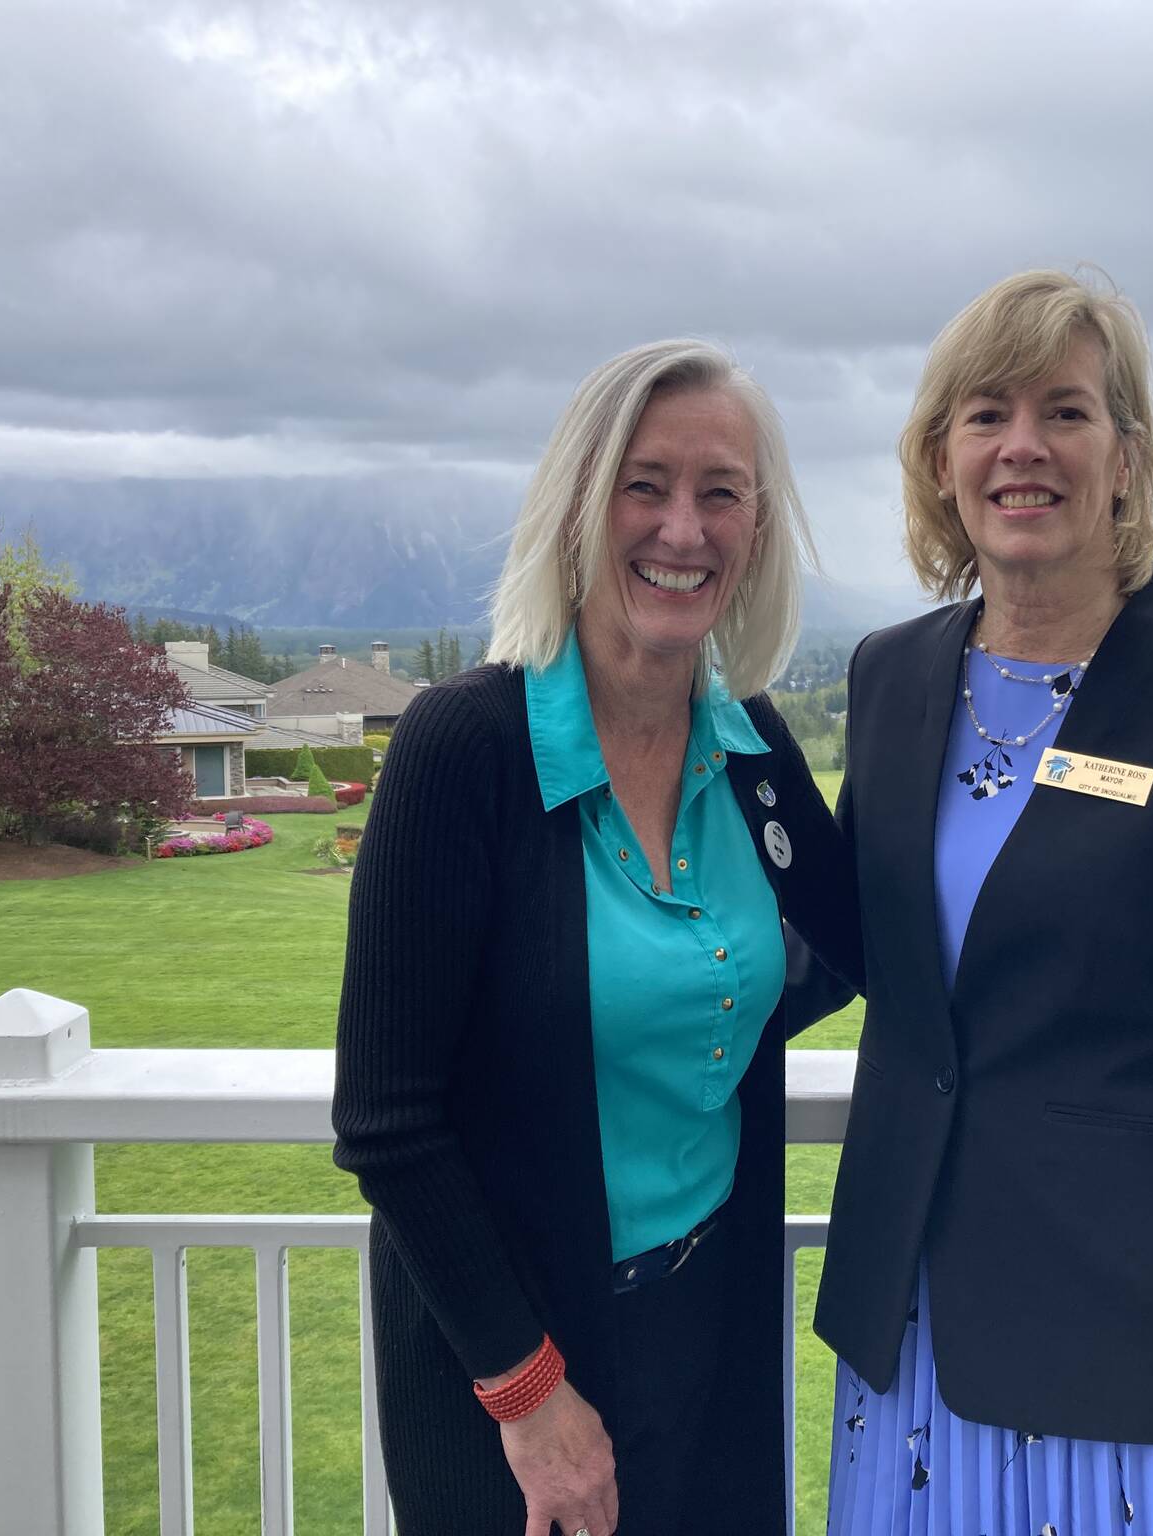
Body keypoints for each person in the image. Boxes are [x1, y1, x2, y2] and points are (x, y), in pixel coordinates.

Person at [816, 270, 1153, 1536]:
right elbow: (838, 943)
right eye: (983, 412)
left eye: (1065, 411)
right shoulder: (890, 676)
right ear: (939, 458)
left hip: (1128, 1362)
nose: (1021, 447)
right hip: (909, 1343)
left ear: (1126, 457)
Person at [333, 339, 860, 1536]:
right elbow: (385, 1118)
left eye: (720, 492)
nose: (683, 529)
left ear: (758, 529)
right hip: (518, 1360)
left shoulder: (753, 745)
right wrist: (529, 1397)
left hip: (713, 1324)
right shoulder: (462, 748)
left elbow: (847, 942)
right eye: (645, 484)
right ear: (578, 505)